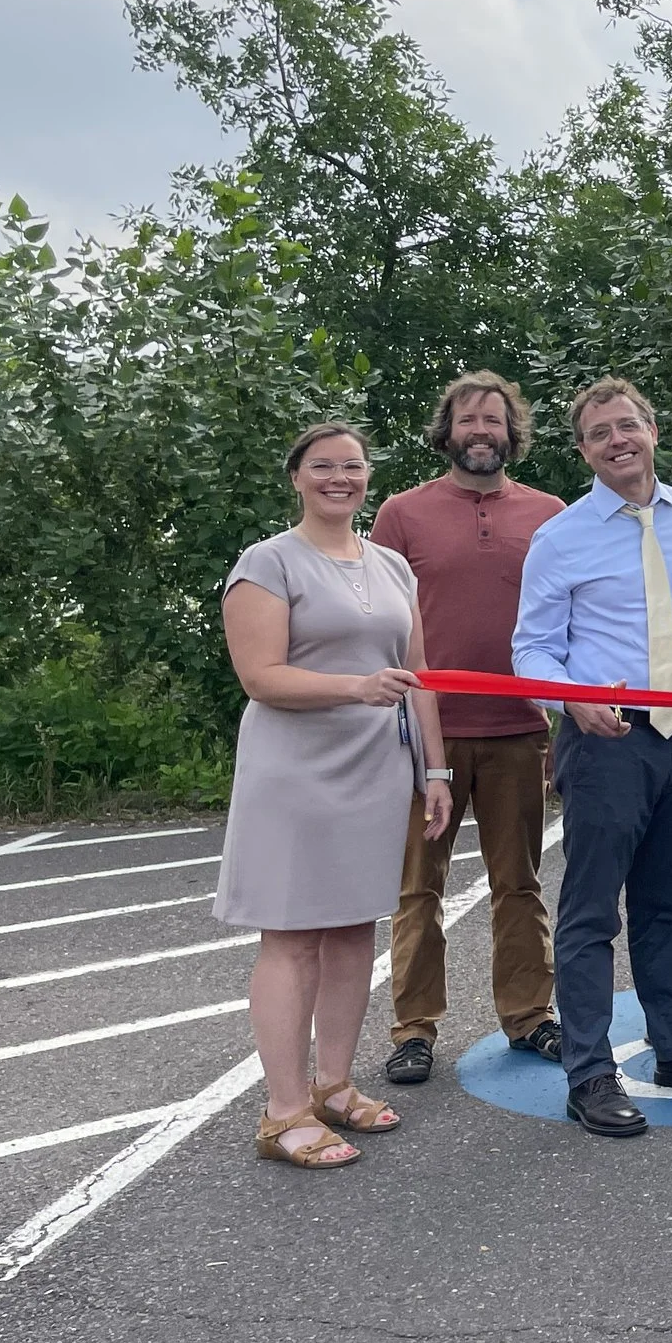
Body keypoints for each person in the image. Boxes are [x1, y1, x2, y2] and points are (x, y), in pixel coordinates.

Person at [513, 378, 672, 1138]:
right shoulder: (561, 536)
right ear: (583, 450)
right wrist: (569, 701)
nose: (617, 440)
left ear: (655, 431)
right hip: (608, 742)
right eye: (598, 433)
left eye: (628, 426)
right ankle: (590, 1071)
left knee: (664, 908)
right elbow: (531, 649)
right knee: (589, 914)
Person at [219, 422, 448, 1169]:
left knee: (354, 929)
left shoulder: (391, 566)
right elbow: (261, 675)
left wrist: (435, 772)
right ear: (297, 476)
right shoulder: (267, 561)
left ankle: (334, 1085)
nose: (340, 477)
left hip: (375, 770)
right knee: (290, 936)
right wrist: (357, 686)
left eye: (352, 466)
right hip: (294, 773)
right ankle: (283, 1111)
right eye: (323, 465)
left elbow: (418, 674)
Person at [371, 372, 566, 1088]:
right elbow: (378, 621)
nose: (480, 430)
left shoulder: (550, 512)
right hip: (427, 735)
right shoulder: (401, 514)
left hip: (520, 730)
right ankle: (415, 1027)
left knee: (519, 883)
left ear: (512, 431)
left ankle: (528, 1014)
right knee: (416, 887)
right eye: (467, 419)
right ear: (446, 430)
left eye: (493, 419)